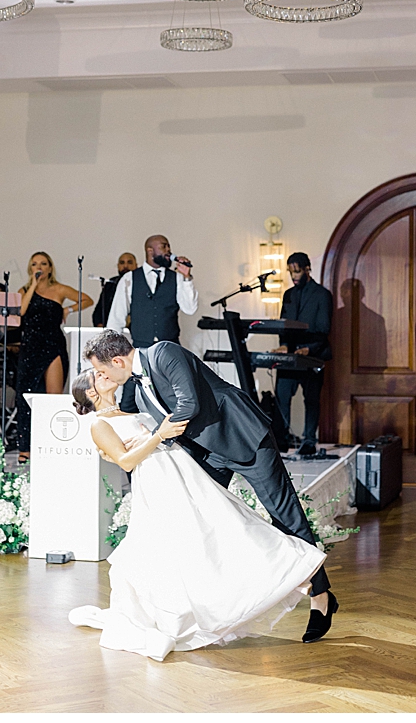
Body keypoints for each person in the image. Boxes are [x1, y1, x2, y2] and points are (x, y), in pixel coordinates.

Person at [83, 330, 338, 646]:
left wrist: (160, 435)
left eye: (103, 370)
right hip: (208, 453)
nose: (102, 376)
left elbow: (188, 403)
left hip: (244, 438)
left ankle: (321, 596)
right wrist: (147, 439)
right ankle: (220, 602)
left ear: (119, 360)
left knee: (284, 515)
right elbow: (153, 430)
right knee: (208, 521)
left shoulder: (163, 353)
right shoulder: (136, 394)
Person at [15, 251, 93, 463]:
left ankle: (50, 443)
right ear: (30, 268)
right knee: (24, 396)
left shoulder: (59, 289)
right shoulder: (24, 290)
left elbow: (87, 299)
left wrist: (68, 309)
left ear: (50, 267)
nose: (38, 267)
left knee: (53, 396)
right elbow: (20, 312)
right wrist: (32, 284)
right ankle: (25, 448)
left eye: (43, 263)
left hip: (52, 345)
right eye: (34, 264)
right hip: (30, 346)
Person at [105, 234, 198, 413]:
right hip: (138, 353)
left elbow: (190, 309)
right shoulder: (130, 279)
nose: (168, 251)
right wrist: (113, 354)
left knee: (175, 403)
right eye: (164, 247)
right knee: (129, 405)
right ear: (150, 250)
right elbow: (116, 319)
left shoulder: (177, 278)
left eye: (169, 247)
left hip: (170, 351)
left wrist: (187, 278)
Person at [271, 253, 333, 458]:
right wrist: (284, 346)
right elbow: (284, 325)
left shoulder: (322, 295)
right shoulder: (288, 294)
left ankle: (308, 441)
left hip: (312, 355)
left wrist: (309, 349)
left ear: (307, 269)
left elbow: (324, 329)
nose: (293, 276)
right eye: (290, 272)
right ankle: (281, 438)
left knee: (311, 399)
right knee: (282, 395)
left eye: (296, 271)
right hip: (291, 356)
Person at [91, 252, 137, 327]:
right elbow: (99, 311)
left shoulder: (142, 283)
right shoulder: (111, 284)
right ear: (118, 266)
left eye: (130, 262)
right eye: (122, 263)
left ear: (136, 265)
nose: (125, 266)